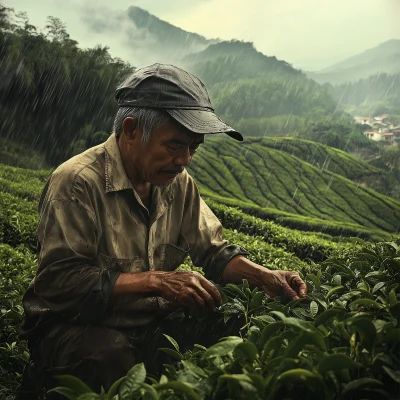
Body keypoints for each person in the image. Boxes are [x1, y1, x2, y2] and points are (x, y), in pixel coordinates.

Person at [19, 63, 307, 398]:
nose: (185, 160)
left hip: (147, 320)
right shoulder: (77, 182)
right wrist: (157, 280)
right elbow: (60, 284)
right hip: (76, 325)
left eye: (193, 147)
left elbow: (213, 250)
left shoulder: (177, 183)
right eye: (174, 145)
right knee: (106, 355)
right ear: (130, 130)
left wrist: (265, 275)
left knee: (231, 319)